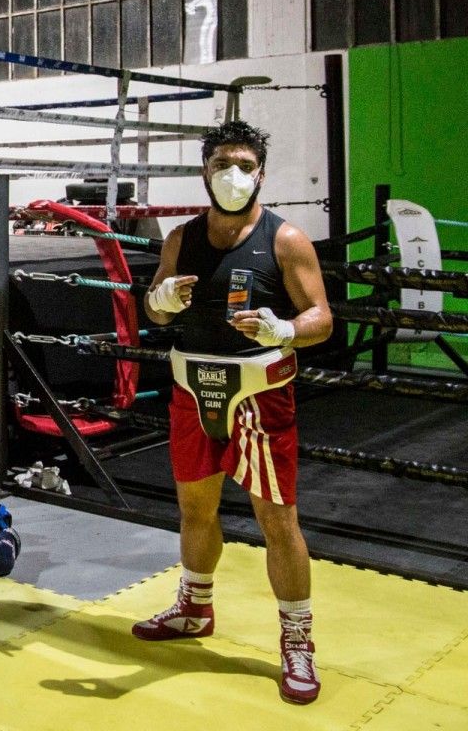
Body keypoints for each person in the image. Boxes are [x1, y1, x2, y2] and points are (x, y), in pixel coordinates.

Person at [134, 120, 332, 704]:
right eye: (222, 163)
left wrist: (286, 329)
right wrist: (159, 300)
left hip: (259, 398)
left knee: (277, 520)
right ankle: (195, 608)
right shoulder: (181, 238)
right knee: (195, 509)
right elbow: (159, 312)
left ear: (261, 173)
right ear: (205, 171)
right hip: (192, 393)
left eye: (244, 164)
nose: (233, 174)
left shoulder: (284, 239)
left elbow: (322, 316)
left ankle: (298, 641)